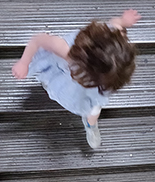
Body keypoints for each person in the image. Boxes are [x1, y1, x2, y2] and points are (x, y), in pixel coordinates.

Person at [12, 9, 141, 149]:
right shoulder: (66, 51)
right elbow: (39, 39)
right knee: (53, 84)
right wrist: (24, 63)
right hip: (63, 76)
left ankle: (91, 124)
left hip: (91, 91)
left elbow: (115, 24)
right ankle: (51, 86)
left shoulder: (113, 39)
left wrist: (123, 21)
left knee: (94, 110)